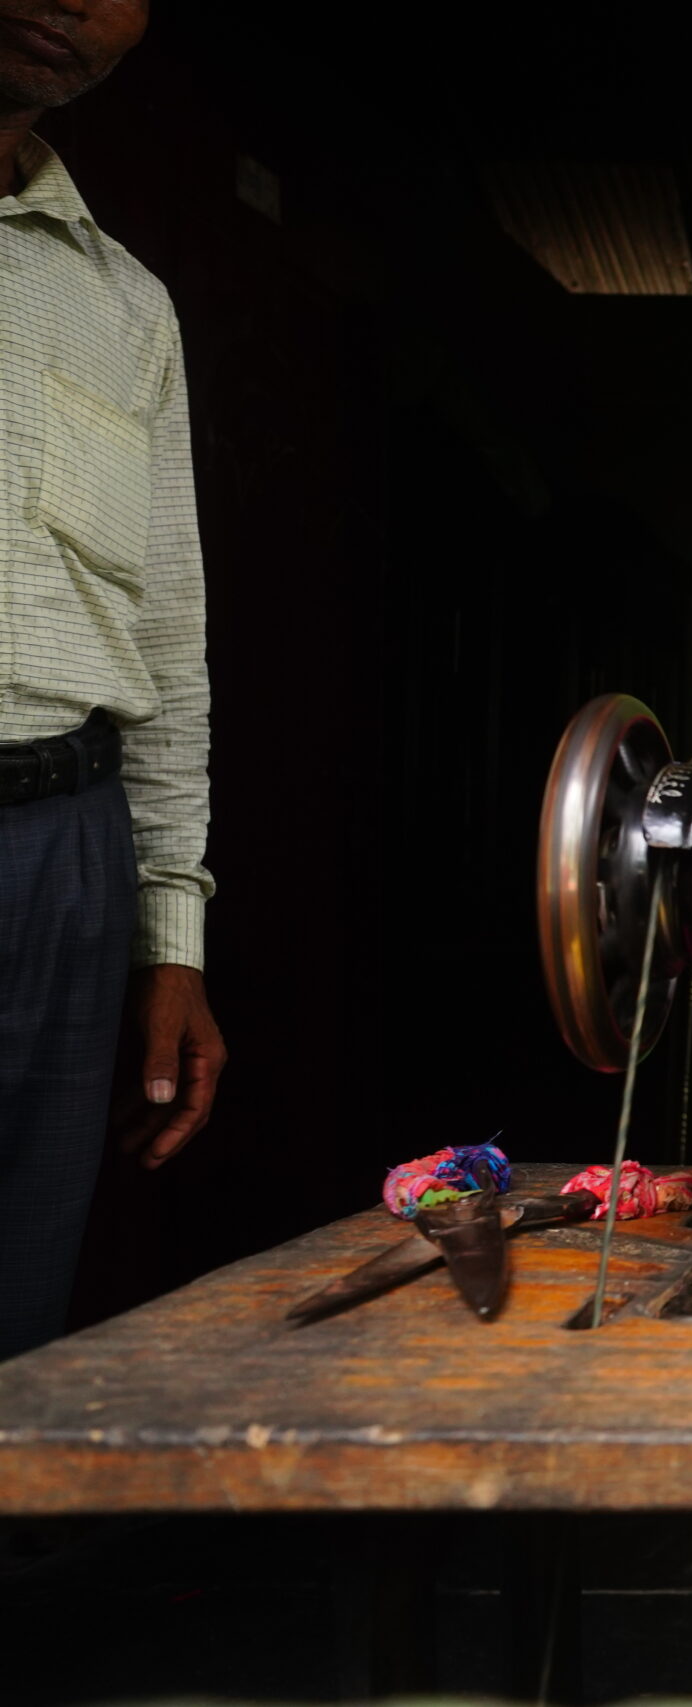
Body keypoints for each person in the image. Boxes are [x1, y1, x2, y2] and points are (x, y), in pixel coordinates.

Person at [0, 0, 226, 1362]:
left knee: (20, 1308)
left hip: (62, 854)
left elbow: (167, 640)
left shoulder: (123, 302)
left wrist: (172, 934)